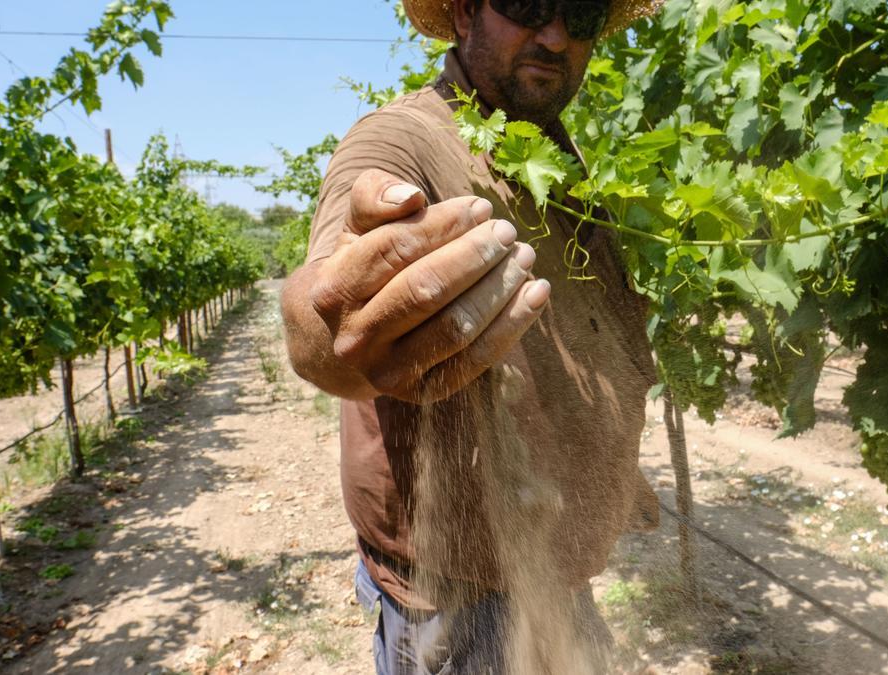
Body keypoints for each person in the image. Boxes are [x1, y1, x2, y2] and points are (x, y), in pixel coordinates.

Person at [280, 0, 664, 672]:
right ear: (461, 13)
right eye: (526, 3)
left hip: (552, 570)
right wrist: (326, 326)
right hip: (462, 606)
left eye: (579, 13)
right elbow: (320, 309)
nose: (553, 34)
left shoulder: (552, 151)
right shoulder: (405, 138)